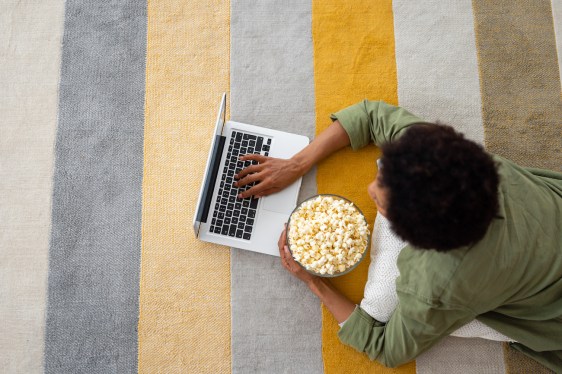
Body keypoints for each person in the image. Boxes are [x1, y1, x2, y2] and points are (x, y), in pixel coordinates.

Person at [233, 100, 562, 371]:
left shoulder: (436, 284)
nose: (368, 188)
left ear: (414, 237)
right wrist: (296, 163)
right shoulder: (442, 157)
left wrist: (312, 280)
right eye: (382, 173)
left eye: (378, 201)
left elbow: (387, 348)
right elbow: (371, 114)